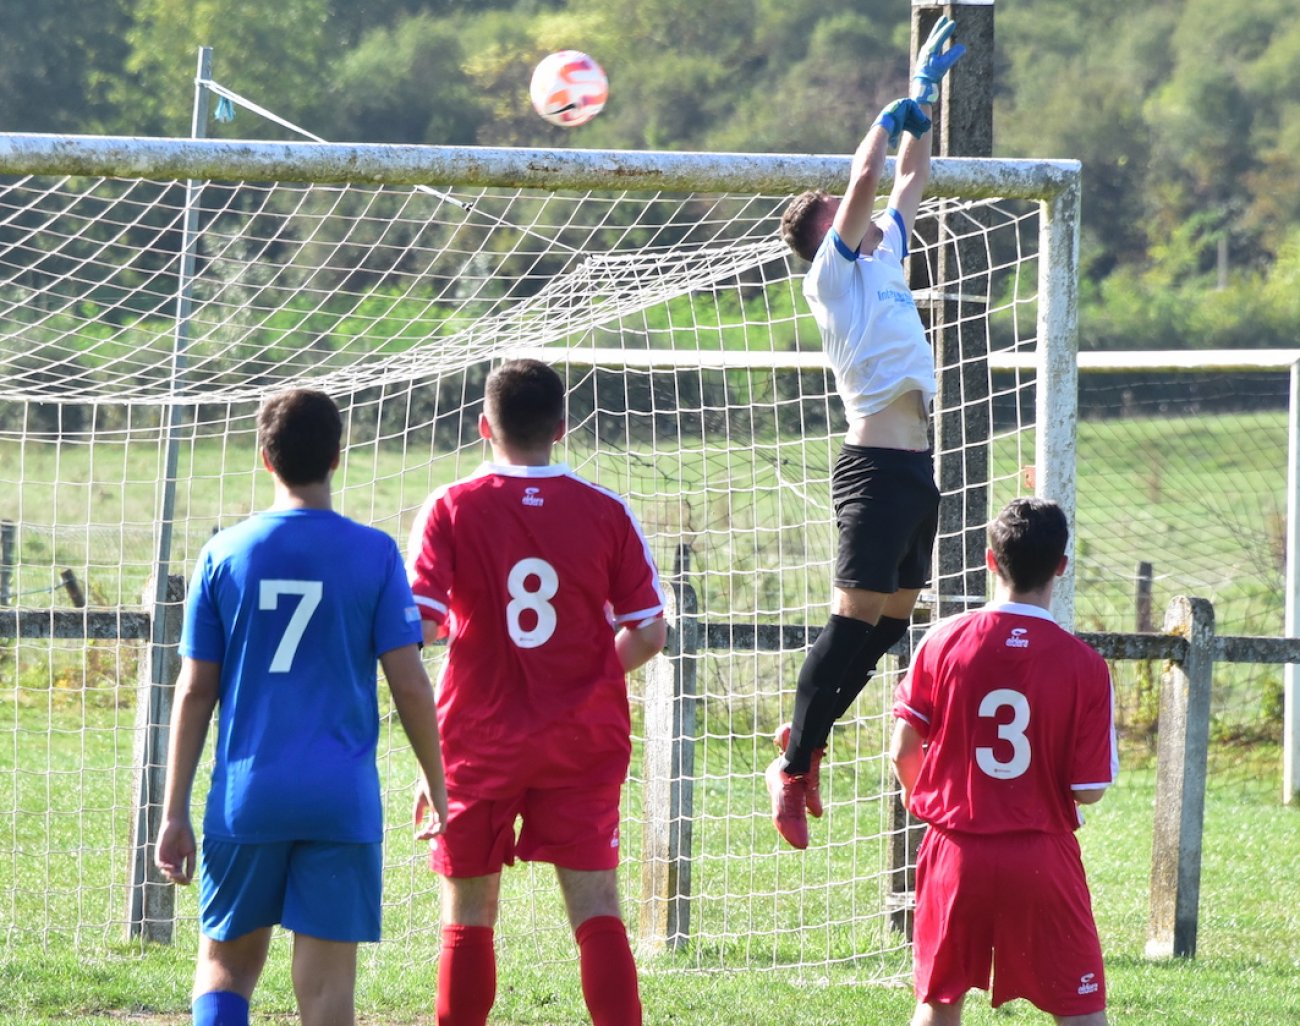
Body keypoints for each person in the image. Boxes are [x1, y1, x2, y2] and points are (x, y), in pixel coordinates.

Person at [154, 388, 449, 1026]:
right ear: (337, 456)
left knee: (226, 968)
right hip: (339, 799)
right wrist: (435, 777)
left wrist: (173, 810)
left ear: (265, 458)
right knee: (326, 993)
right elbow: (409, 682)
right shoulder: (373, 553)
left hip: (247, 795)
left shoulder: (223, 554)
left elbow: (195, 690)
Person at [406, 358, 668, 1026]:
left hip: (477, 738)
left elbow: (423, 626)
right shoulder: (607, 511)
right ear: (561, 426)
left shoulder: (452, 506)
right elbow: (650, 632)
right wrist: (587, 673)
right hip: (580, 741)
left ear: (482, 426)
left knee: (468, 915)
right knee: (596, 908)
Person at [766, 17, 967, 849]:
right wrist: (889, 115)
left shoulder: (885, 258)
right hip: (874, 469)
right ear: (825, 239)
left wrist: (927, 100)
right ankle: (795, 764)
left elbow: (909, 176)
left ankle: (803, 741)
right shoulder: (833, 277)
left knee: (891, 621)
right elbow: (865, 171)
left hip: (916, 471)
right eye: (835, 215)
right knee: (854, 621)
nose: (856, 213)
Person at [891, 497, 1117, 1026]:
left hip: (956, 850)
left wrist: (918, 795)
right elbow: (1089, 789)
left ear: (990, 561)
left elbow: (904, 748)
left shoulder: (942, 640)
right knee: (1080, 1009)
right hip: (1042, 855)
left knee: (939, 1002)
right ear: (1062, 565)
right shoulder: (1085, 665)